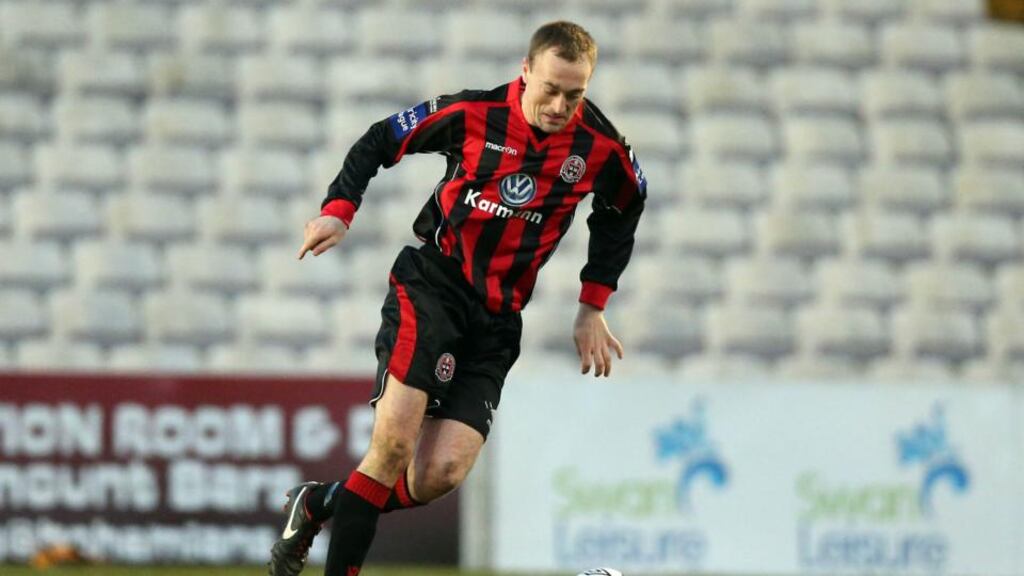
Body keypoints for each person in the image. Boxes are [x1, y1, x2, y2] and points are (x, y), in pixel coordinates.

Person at [268, 20, 646, 576]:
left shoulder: (601, 147)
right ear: (525, 72)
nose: (560, 104)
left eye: (575, 93)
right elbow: (381, 138)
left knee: (437, 475)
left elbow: (624, 206)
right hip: (433, 286)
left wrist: (593, 303)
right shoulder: (474, 115)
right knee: (391, 449)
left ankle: (320, 502)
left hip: (498, 320)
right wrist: (339, 208)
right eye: (550, 89)